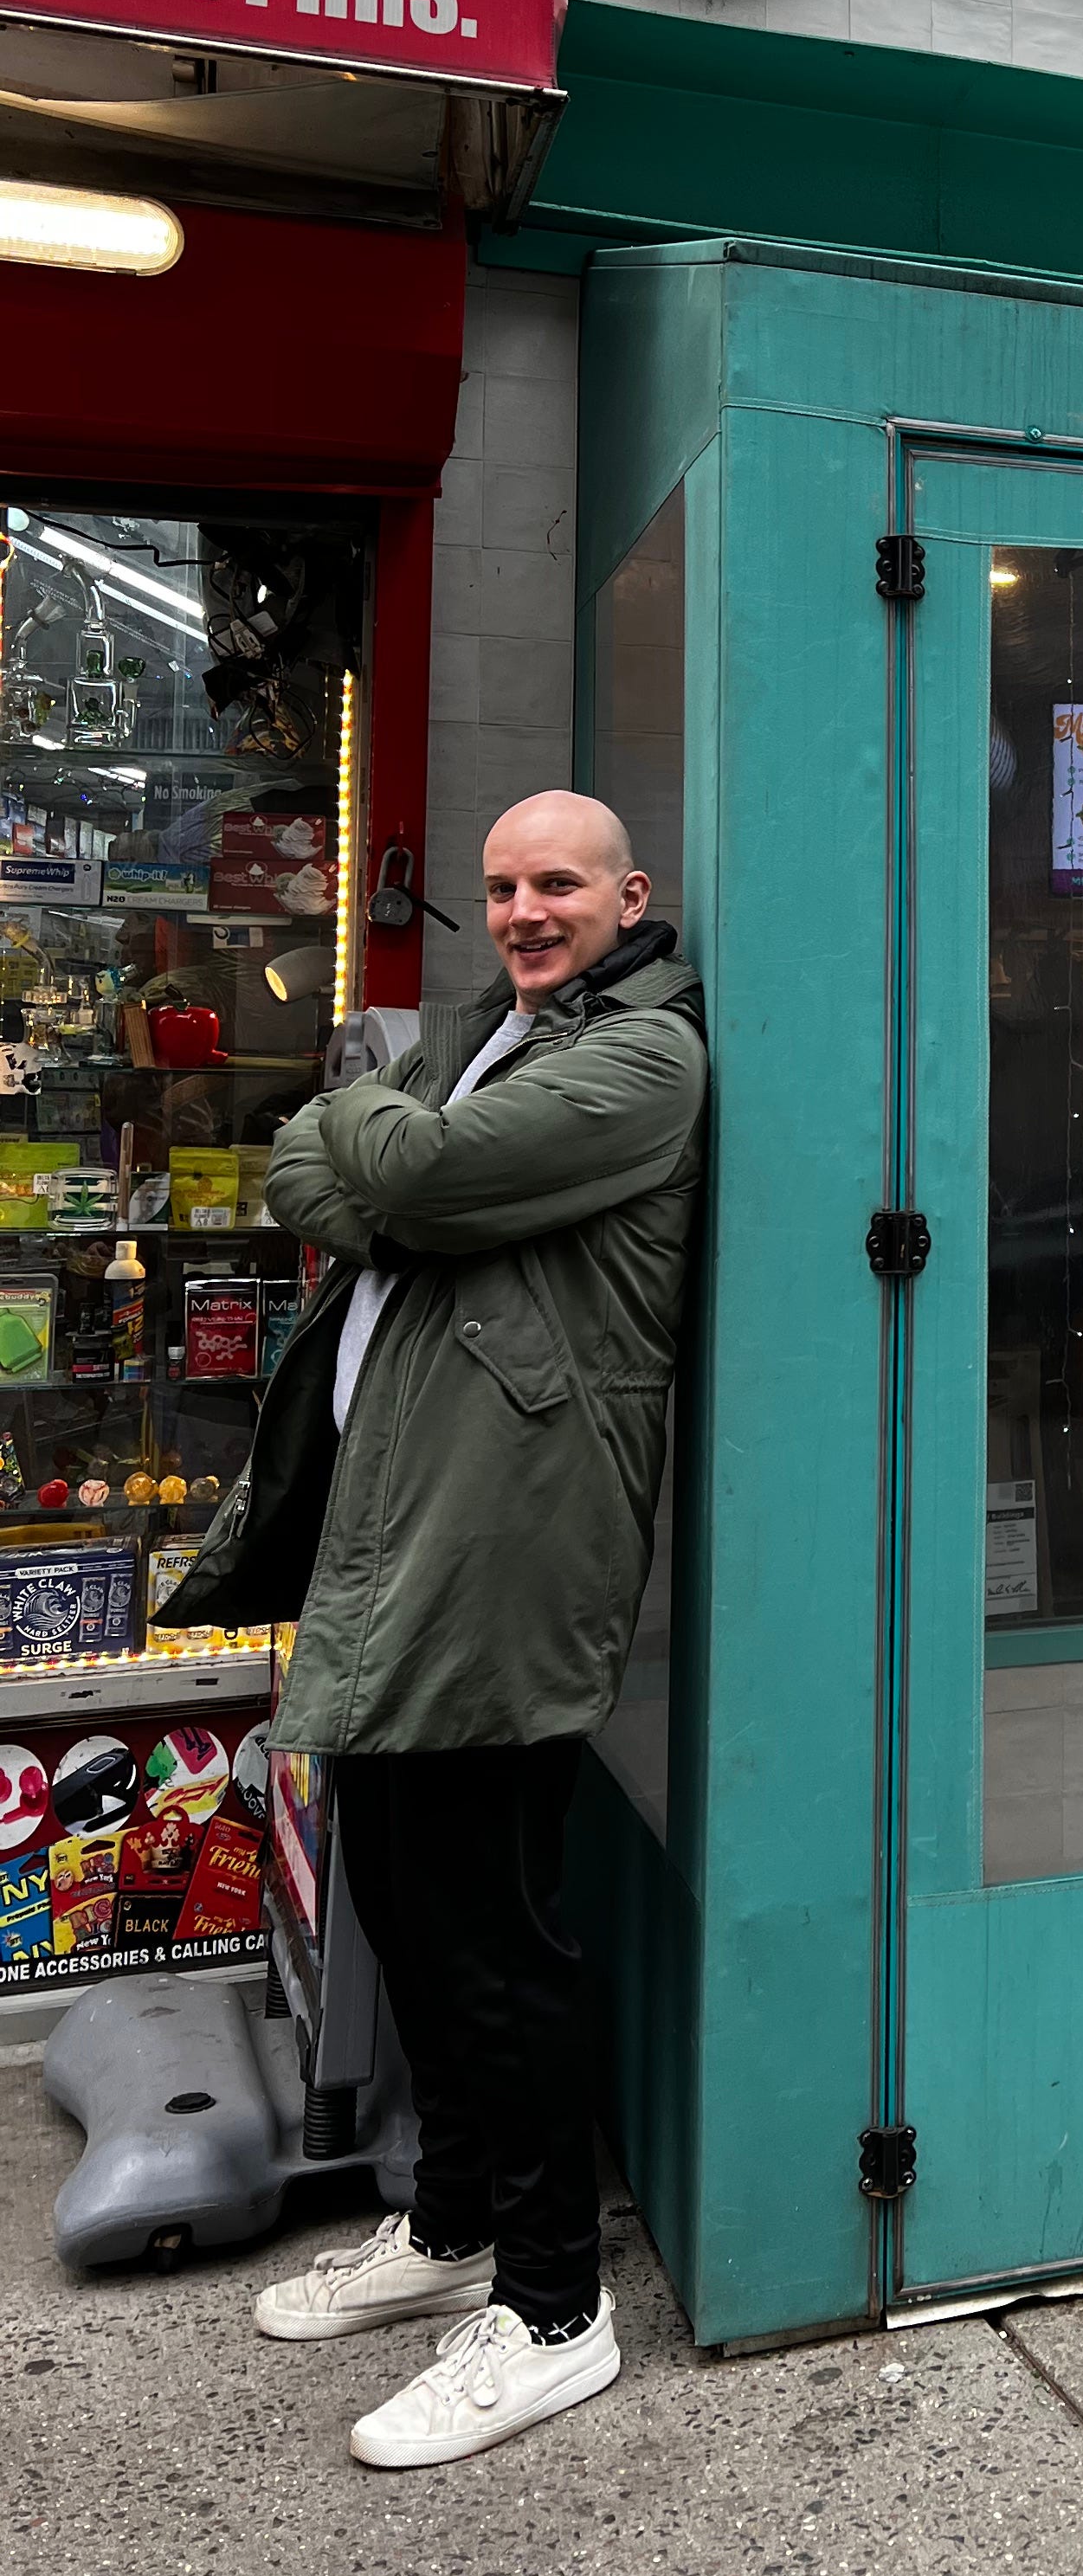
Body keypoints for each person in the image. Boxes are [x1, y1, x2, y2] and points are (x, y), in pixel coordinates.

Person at [158, 792, 706, 2470]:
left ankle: (552, 2307)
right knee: (405, 1906)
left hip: (507, 1552)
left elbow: (410, 1169)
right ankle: (455, 2221)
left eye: (559, 883)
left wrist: (363, 1136)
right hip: (411, 1538)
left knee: (488, 1935)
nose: (527, 909)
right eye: (502, 888)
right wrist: (368, 1147)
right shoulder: (505, 1030)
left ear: (632, 895)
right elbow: (359, 1166)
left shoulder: (641, 1064)